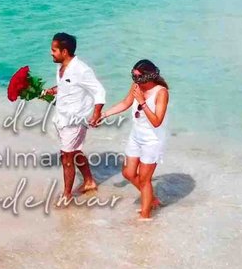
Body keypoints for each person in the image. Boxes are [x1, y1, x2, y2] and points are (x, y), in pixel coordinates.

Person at [99, 59, 170, 220]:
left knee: (145, 180)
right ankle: (152, 199)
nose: (135, 80)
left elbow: (157, 121)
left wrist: (142, 102)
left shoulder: (161, 92)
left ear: (150, 76)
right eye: (134, 76)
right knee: (128, 173)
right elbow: (125, 103)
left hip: (152, 140)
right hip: (136, 136)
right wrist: (104, 115)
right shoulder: (136, 86)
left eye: (138, 77)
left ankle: (145, 217)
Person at [43, 32, 105, 202]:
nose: (51, 53)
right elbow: (67, 85)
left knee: (66, 157)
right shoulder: (62, 67)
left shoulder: (82, 70)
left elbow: (99, 91)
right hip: (61, 117)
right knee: (75, 151)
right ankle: (89, 181)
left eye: (54, 50)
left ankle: (66, 195)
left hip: (76, 120)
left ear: (64, 52)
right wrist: (52, 90)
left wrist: (96, 114)